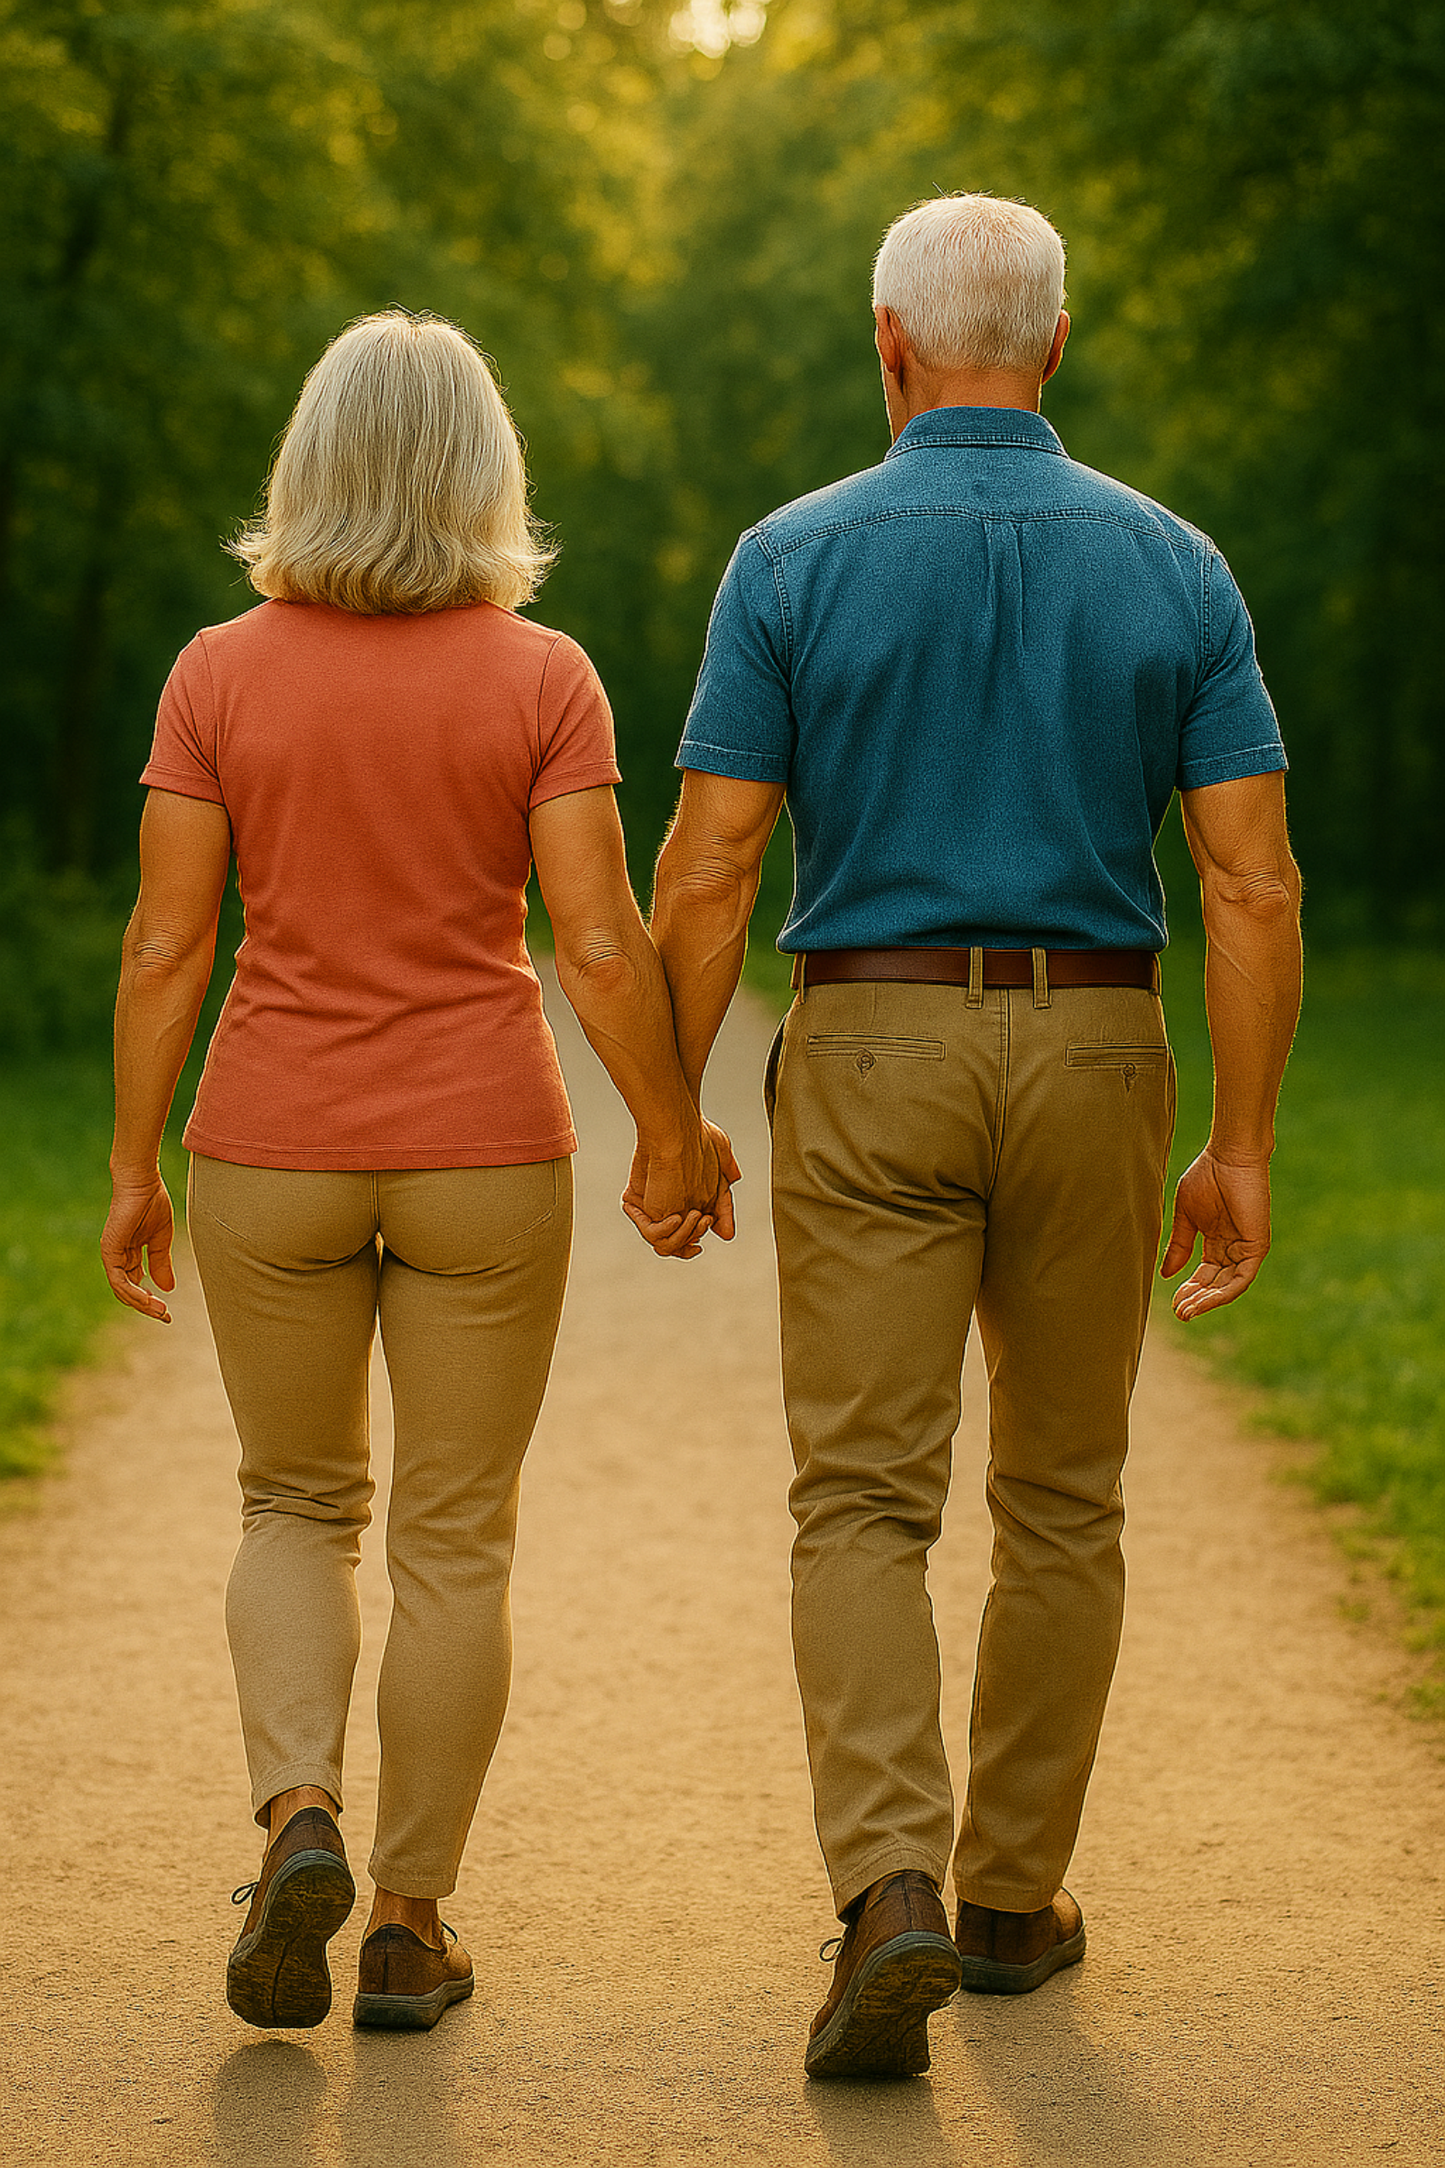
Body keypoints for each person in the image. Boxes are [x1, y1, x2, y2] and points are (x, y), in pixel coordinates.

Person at [644, 193, 1302, 2079]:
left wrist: (677, 1118)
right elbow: (1249, 888)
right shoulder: (1179, 568)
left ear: (889, 346)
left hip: (863, 1042)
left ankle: (889, 1895)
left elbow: (711, 858)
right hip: (1099, 1045)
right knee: (1066, 1495)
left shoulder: (790, 560)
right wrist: (1239, 1145)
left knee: (862, 1492)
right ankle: (1014, 1895)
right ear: (1059, 349)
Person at [101, 310, 734, 2034]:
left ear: (307, 464)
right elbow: (597, 940)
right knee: (457, 1540)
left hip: (268, 1140)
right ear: (485, 475)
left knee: (295, 1502)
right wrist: (672, 1134)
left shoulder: (215, 672)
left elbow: (170, 941)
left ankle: (295, 1812)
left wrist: (131, 1163)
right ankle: (405, 1923)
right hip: (480, 1146)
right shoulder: (544, 677)